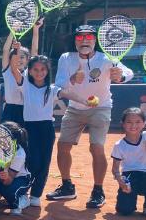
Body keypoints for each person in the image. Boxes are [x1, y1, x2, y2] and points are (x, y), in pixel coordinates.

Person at [48, 25, 134, 208]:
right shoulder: (66, 58)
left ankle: (98, 190)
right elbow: (60, 85)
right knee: (63, 146)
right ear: (75, 41)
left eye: (89, 37)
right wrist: (72, 79)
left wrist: (120, 76)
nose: (84, 40)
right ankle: (67, 186)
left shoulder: (107, 59)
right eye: (80, 37)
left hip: (101, 107)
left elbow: (128, 72)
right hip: (75, 107)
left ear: (95, 40)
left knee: (96, 148)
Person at [10, 55, 89, 207]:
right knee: (32, 161)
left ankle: (36, 195)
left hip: (46, 129)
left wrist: (85, 101)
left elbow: (68, 94)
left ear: (47, 71)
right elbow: (14, 69)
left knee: (44, 163)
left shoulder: (52, 89)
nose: (39, 72)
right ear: (30, 71)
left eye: (43, 69)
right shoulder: (25, 85)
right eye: (36, 69)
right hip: (30, 129)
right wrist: (16, 50)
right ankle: (24, 193)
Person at [111, 90, 146, 219]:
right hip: (129, 177)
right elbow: (115, 169)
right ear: (123, 124)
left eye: (137, 122)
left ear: (144, 123)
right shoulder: (119, 145)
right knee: (124, 211)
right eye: (129, 122)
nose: (133, 125)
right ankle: (129, 201)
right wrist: (121, 182)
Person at [0, 20, 41, 126]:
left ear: (28, 59)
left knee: (25, 139)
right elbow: (5, 50)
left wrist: (35, 30)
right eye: (15, 56)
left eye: (22, 57)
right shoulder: (8, 71)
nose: (18, 59)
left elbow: (35, 51)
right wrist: (12, 31)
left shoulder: (30, 72)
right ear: (10, 59)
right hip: (9, 110)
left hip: (26, 110)